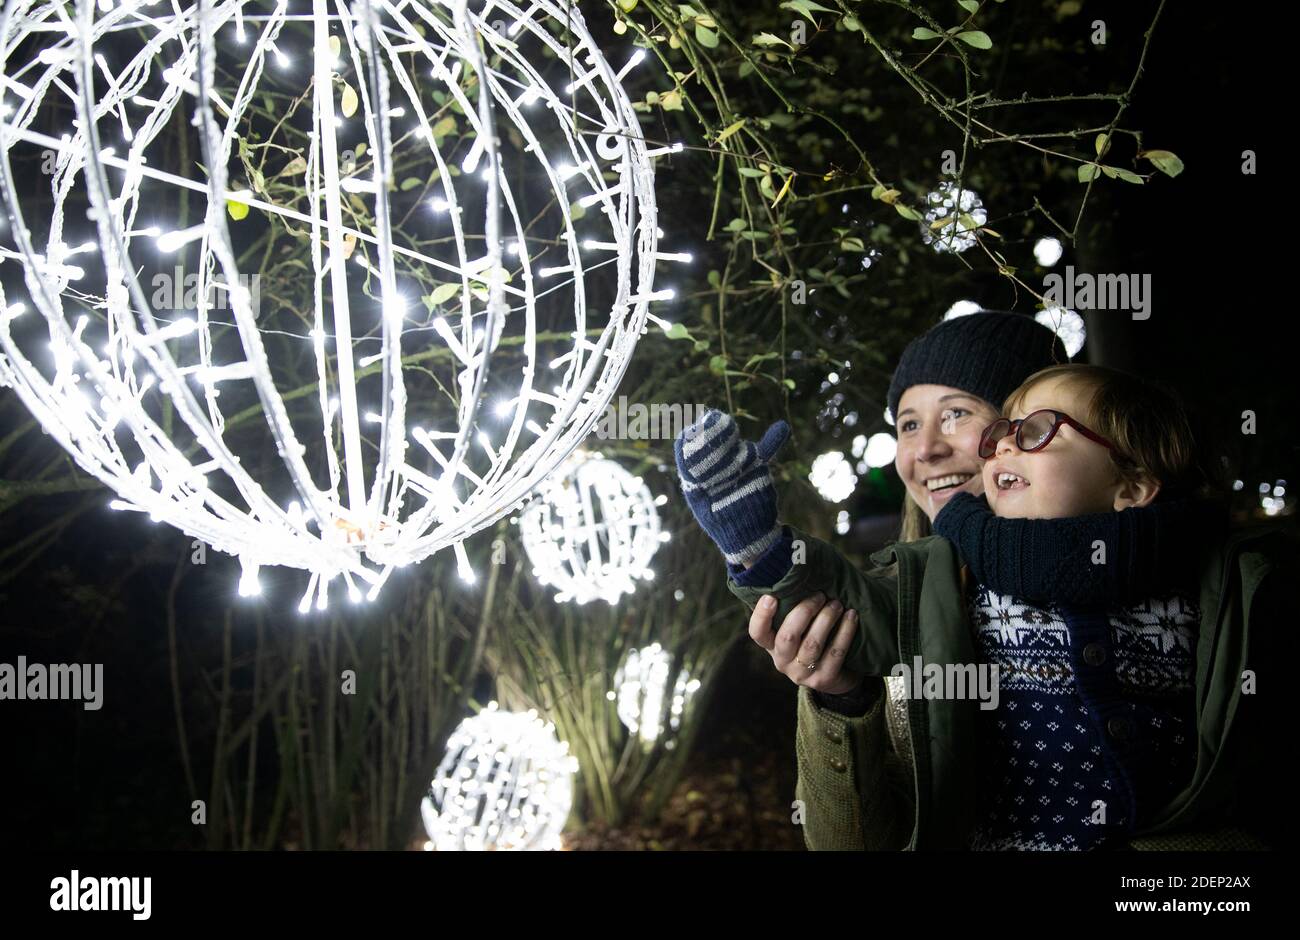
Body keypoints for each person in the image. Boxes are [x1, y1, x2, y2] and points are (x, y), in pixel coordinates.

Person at [675, 312, 1287, 849]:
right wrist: (764, 557)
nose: (927, 450)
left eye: (959, 414)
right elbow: (851, 840)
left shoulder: (1219, 587)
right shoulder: (919, 590)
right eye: (908, 425)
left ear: (1125, 475)